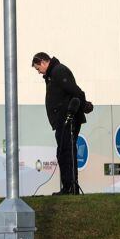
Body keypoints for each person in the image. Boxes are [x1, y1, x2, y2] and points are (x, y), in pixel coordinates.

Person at [32, 51, 89, 195]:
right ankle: (68, 186)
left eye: (38, 68)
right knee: (63, 152)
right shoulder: (53, 74)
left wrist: (84, 105)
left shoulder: (59, 71)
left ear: (43, 62)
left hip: (68, 119)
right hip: (62, 121)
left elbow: (76, 91)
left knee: (67, 152)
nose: (39, 72)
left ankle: (70, 187)